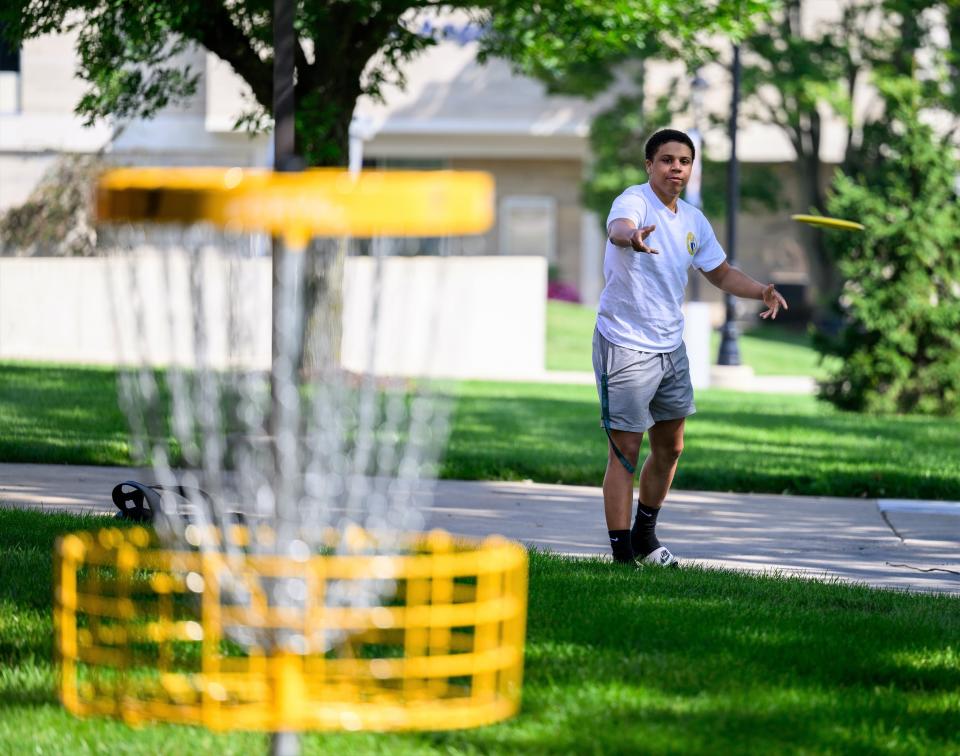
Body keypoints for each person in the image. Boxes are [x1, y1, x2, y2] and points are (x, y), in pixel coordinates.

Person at [593, 128, 787, 567]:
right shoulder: (634, 201)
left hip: (669, 345)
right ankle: (622, 557)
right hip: (624, 343)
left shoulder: (694, 221)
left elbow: (720, 273)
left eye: (683, 161)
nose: (675, 168)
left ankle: (645, 536)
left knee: (671, 446)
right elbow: (617, 228)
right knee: (624, 454)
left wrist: (761, 291)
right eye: (666, 160)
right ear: (650, 165)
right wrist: (630, 237)